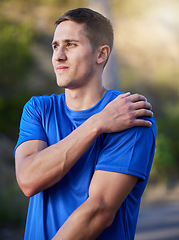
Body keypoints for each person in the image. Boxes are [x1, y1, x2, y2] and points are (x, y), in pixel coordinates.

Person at [15, 8, 156, 240]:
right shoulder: (39, 109)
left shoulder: (130, 114)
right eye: (55, 46)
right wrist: (97, 123)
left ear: (101, 55)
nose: (58, 56)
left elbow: (99, 211)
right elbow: (29, 180)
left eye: (70, 44)